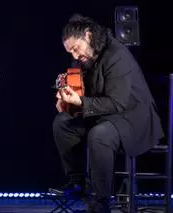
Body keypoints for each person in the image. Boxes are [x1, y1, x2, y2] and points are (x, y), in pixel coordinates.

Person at [51, 14, 164, 213]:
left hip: (132, 117)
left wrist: (80, 103)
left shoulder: (117, 54)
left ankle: (100, 203)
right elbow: (84, 94)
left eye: (76, 49)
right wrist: (67, 102)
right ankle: (78, 183)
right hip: (105, 115)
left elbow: (117, 102)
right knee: (62, 123)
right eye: (70, 52)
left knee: (100, 135)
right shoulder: (85, 60)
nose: (75, 56)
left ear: (88, 35)